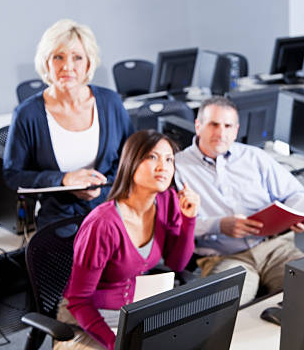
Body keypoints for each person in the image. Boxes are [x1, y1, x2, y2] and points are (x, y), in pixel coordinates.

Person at [58, 130, 199, 350]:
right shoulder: (103, 224)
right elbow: (79, 301)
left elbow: (177, 264)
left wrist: (189, 220)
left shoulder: (168, 201)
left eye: (169, 159)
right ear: (131, 163)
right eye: (152, 157)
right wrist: (117, 344)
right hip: (85, 322)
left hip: (131, 315)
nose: (163, 166)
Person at [174, 96, 304, 305]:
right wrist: (219, 225)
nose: (221, 133)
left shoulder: (254, 157)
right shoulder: (177, 167)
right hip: (225, 257)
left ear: (236, 129)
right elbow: (174, 225)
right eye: (213, 124)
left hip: (275, 247)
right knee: (223, 312)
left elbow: (296, 194)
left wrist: (299, 215)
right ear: (198, 125)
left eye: (228, 126)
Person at [3, 19, 134, 227]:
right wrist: (63, 180)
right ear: (46, 62)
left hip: (111, 216)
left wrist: (103, 185)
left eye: (77, 58)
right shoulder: (27, 114)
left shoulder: (111, 103)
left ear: (89, 63)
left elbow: (131, 159)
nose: (67, 66)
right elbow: (13, 175)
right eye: (58, 57)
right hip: (58, 224)